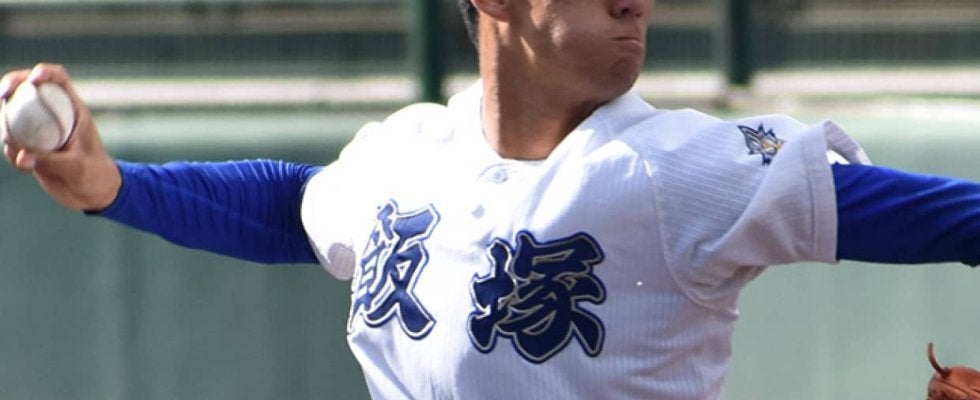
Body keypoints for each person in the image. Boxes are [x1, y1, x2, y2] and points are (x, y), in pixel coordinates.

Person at [3, 0, 980, 398]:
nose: (636, 0)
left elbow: (953, 216)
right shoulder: (409, 152)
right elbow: (293, 209)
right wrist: (113, 186)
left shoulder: (685, 167)